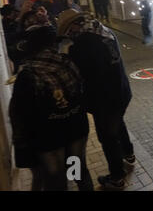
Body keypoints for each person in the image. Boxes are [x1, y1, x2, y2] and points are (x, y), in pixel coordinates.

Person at [56, 9, 134, 190]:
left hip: (104, 99)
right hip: (121, 91)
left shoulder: (82, 43)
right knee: (118, 123)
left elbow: (83, 75)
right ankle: (128, 153)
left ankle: (117, 177)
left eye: (68, 30)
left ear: (74, 25)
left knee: (107, 137)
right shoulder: (103, 30)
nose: (68, 34)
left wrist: (68, 54)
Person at [9, 23, 93, 191]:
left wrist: (21, 143)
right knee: (76, 170)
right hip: (75, 129)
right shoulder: (67, 62)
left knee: (55, 179)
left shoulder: (29, 74)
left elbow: (19, 113)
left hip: (48, 138)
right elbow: (82, 91)